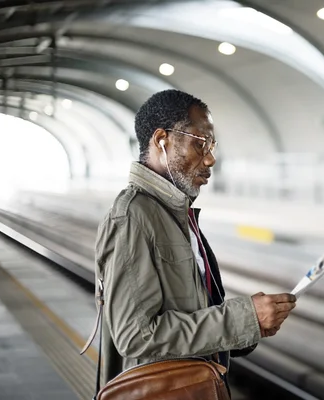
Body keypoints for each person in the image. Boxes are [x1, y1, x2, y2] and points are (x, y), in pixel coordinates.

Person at [93, 89, 297, 392]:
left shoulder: (175, 212)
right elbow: (135, 336)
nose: (211, 159)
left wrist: (252, 324)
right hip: (161, 393)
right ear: (162, 139)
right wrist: (241, 317)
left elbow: (192, 310)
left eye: (211, 144)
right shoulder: (134, 216)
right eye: (200, 144)